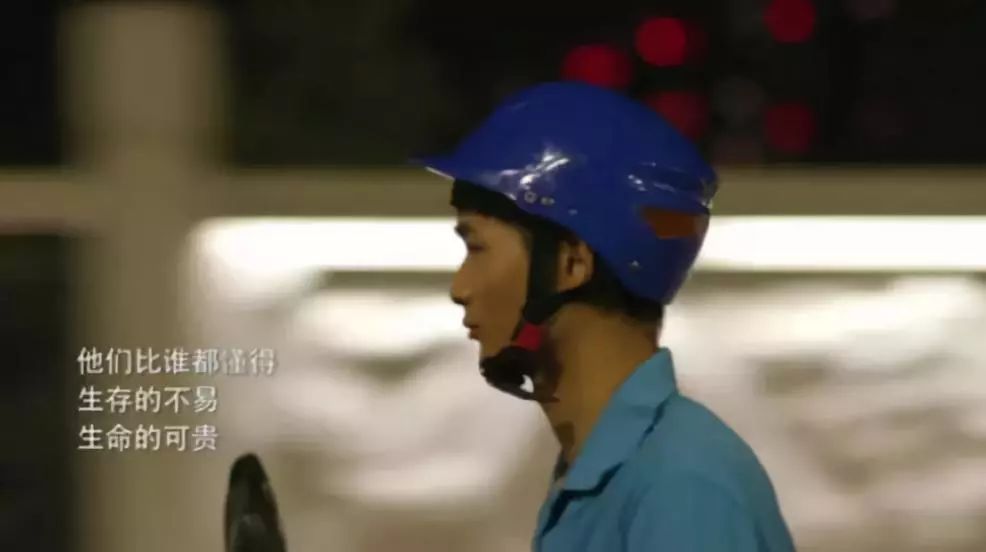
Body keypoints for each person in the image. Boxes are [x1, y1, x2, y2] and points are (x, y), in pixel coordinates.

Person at [412, 81, 796, 551]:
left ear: (572, 263)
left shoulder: (681, 488)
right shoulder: (617, 475)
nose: (460, 288)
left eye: (477, 247)